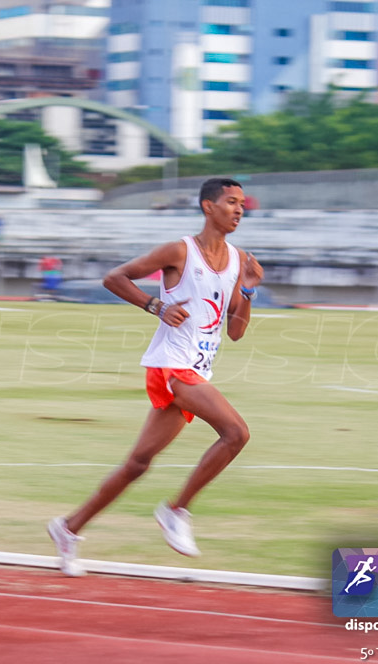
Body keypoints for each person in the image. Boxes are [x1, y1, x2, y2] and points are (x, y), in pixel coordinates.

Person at [47, 178, 264, 576]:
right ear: (207, 207)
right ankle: (176, 510)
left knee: (138, 463)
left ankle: (68, 528)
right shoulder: (179, 251)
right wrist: (156, 306)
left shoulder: (238, 260)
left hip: (197, 368)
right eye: (230, 202)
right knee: (236, 433)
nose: (238, 210)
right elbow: (115, 277)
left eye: (241, 205)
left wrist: (248, 291)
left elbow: (235, 330)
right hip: (171, 366)